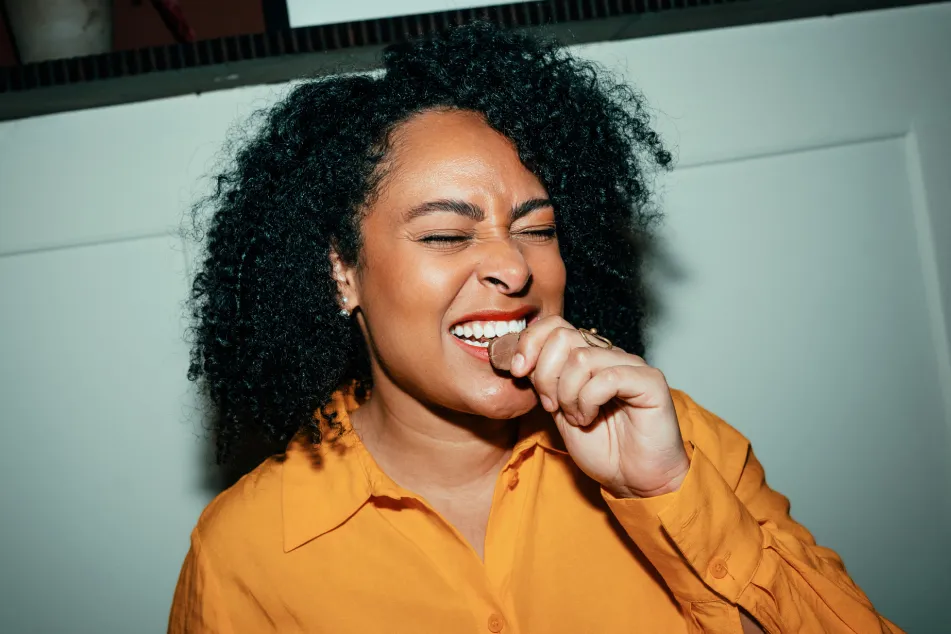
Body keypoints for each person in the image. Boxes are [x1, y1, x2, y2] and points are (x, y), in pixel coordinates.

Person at [169, 21, 902, 634]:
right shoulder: (247, 552)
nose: (513, 268)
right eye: (445, 236)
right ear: (341, 272)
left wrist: (665, 495)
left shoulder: (677, 444)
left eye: (538, 228)